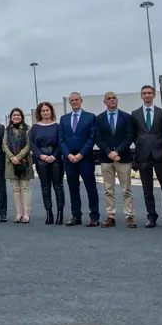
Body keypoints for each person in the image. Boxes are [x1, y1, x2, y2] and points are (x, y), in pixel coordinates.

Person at [130, 85, 162, 228]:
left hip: (160, 155)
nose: (147, 95)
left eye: (149, 93)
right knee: (147, 190)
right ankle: (151, 217)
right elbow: (133, 134)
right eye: (144, 93)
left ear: (154, 95)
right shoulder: (135, 114)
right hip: (143, 156)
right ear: (141, 96)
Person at [95, 92, 136, 228]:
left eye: (114, 98)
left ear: (117, 100)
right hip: (106, 159)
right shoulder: (99, 118)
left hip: (123, 157)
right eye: (109, 99)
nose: (112, 100)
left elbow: (130, 136)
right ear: (104, 102)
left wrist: (117, 151)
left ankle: (129, 216)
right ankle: (110, 216)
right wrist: (109, 152)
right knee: (108, 189)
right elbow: (98, 138)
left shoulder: (126, 117)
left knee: (126, 189)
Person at [59, 92, 100, 227]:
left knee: (90, 188)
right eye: (72, 100)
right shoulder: (64, 119)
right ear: (69, 103)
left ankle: (94, 216)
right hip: (69, 160)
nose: (74, 102)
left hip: (85, 158)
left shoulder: (90, 117)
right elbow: (61, 139)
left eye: (76, 100)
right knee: (73, 188)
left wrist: (81, 154)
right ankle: (76, 215)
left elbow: (92, 138)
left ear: (81, 101)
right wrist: (68, 154)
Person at [30, 102, 63, 225]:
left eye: (47, 110)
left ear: (51, 111)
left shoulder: (57, 126)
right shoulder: (35, 128)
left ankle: (60, 213)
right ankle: (49, 213)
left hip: (56, 159)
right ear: (40, 113)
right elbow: (32, 144)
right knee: (45, 187)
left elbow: (61, 142)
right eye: (43, 111)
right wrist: (41, 155)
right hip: (41, 159)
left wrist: (54, 155)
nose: (45, 113)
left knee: (58, 186)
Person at [2, 108, 34, 224]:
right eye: (14, 115)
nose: (16, 117)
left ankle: (26, 214)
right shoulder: (7, 130)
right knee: (15, 189)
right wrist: (12, 157)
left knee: (25, 188)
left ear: (21, 117)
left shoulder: (27, 129)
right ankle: (18, 214)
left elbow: (29, 144)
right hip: (11, 163)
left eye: (18, 115)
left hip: (24, 162)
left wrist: (19, 157)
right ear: (11, 117)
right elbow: (4, 145)